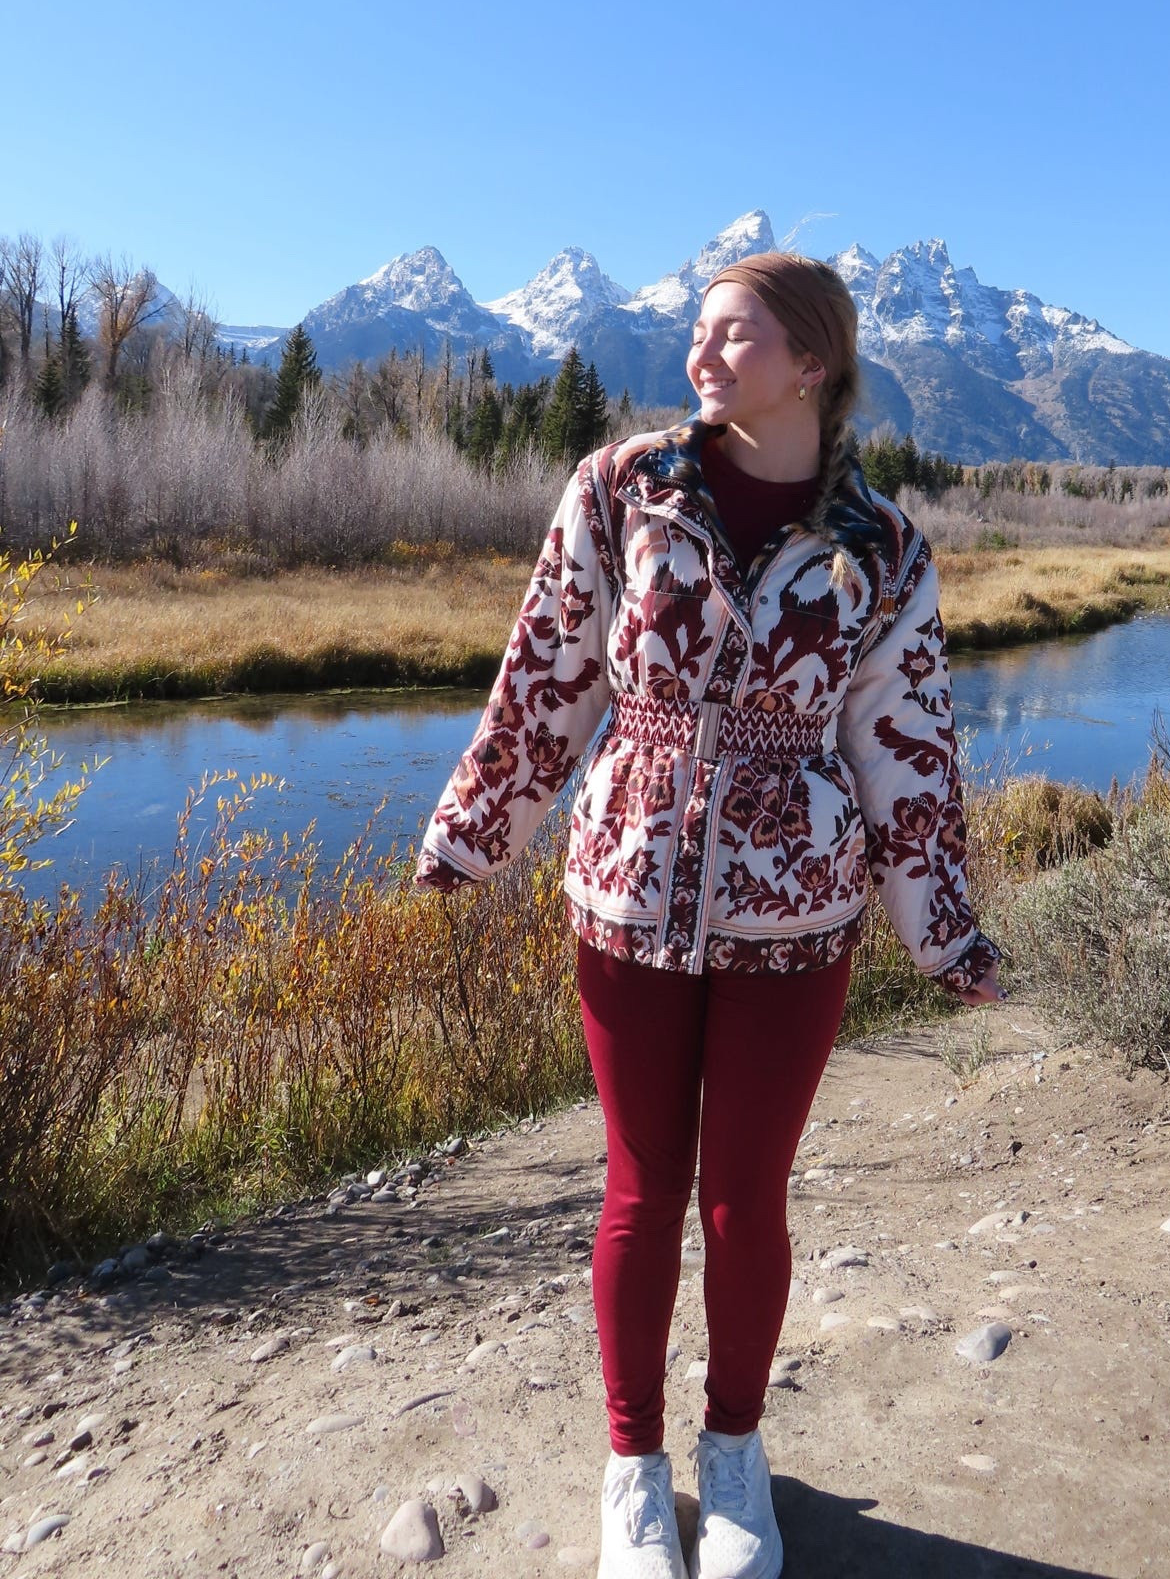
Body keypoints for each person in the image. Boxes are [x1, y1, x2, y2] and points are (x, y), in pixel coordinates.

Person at [416, 251, 1004, 1579]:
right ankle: (635, 1467)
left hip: (798, 914)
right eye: (697, 334)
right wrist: (476, 827)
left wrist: (947, 929)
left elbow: (909, 746)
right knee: (640, 1189)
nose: (702, 354)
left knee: (746, 1199)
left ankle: (736, 1455)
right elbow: (547, 670)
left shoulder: (886, 546)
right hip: (625, 887)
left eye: (734, 335)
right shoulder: (623, 489)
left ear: (812, 362)